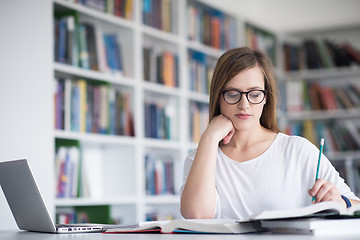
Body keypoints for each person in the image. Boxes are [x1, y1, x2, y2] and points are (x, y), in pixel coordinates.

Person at [180, 47, 360, 220]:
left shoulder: (297, 151)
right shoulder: (200, 158)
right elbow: (197, 215)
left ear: (266, 97)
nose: (244, 105)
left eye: (255, 94)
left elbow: (356, 206)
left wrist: (340, 202)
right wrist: (209, 138)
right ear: (218, 97)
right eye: (233, 94)